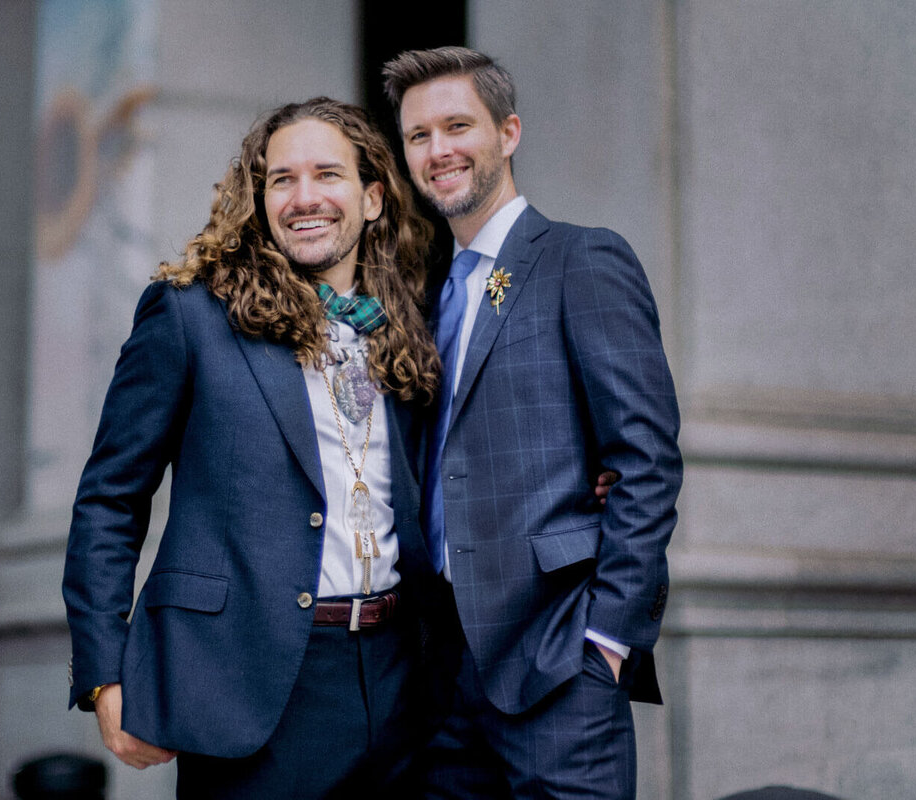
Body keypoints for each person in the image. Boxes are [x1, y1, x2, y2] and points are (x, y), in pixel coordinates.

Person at [62, 97, 442, 799]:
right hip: (253, 684)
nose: (304, 199)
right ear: (258, 197)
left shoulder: (409, 327)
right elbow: (109, 500)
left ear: (374, 197)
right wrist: (103, 674)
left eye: (327, 175)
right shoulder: (189, 315)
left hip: (401, 684)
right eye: (280, 180)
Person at [383, 46, 683, 799]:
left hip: (558, 663)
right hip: (443, 676)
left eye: (458, 126)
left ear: (508, 132)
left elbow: (645, 459)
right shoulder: (425, 296)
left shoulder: (581, 260)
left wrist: (608, 641)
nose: (438, 150)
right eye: (418, 135)